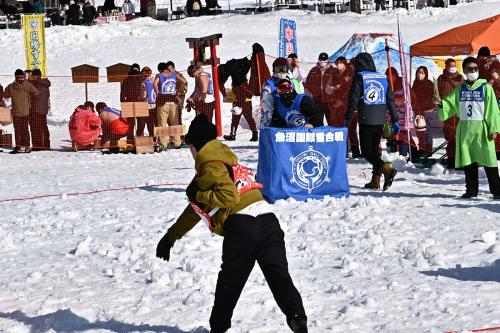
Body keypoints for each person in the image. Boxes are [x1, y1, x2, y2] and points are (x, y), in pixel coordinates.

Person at [155, 113, 308, 333]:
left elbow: (228, 198)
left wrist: (199, 195)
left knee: (229, 283)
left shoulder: (210, 166)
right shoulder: (228, 160)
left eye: (190, 147)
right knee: (279, 278)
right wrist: (171, 236)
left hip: (243, 227)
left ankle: (217, 329)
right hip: (268, 222)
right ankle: (298, 320)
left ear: (197, 146)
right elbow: (196, 209)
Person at [438, 57, 500, 199]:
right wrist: (442, 105)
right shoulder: (461, 89)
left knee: (489, 161)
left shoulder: (486, 88)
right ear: (464, 71)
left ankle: (497, 191)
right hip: (465, 129)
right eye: (470, 69)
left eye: (475, 69)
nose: (473, 71)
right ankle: (471, 190)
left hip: (482, 129)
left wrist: (494, 128)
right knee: (468, 161)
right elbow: (449, 103)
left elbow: (493, 110)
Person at [345, 53, 399, 191]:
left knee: (367, 152)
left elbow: (353, 100)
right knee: (375, 150)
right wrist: (394, 119)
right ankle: (375, 180)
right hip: (380, 119)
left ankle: (386, 169)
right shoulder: (383, 77)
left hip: (366, 118)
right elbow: (390, 100)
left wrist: (347, 118)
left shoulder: (360, 77)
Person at [219, 57, 258, 141]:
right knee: (248, 117)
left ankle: (232, 135)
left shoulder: (236, 81)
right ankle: (255, 134)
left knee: (235, 117)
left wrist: (225, 94)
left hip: (238, 95)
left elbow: (222, 84)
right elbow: (250, 93)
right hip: (246, 97)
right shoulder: (244, 78)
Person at [434, 58, 464, 169]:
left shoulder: (460, 78)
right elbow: (437, 93)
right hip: (447, 111)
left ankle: (460, 159)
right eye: (450, 65)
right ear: (446, 66)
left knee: (460, 136)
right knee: (451, 137)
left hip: (459, 111)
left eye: (454, 65)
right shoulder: (441, 79)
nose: (453, 67)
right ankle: (452, 160)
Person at [4, 69, 39, 154]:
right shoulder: (27, 85)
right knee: (25, 130)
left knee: (17, 130)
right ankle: (27, 147)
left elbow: (6, 95)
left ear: (15, 77)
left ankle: (18, 147)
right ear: (23, 76)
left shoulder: (11, 86)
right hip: (25, 112)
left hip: (16, 112)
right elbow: (36, 92)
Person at [261, 58, 302, 128]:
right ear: (274, 70)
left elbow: (296, 100)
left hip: (288, 117)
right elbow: (267, 106)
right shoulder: (269, 84)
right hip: (273, 120)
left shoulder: (291, 83)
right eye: (278, 69)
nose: (281, 72)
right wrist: (270, 122)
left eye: (284, 69)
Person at [155, 62, 183, 150]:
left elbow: (154, 84)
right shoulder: (174, 74)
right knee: (175, 123)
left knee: (162, 124)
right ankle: (177, 142)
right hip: (173, 102)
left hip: (163, 102)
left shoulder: (159, 75)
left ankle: (164, 144)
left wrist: (158, 93)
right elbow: (183, 81)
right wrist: (179, 92)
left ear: (160, 69)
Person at [304, 53, 336, 126]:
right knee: (317, 121)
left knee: (332, 121)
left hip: (329, 100)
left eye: (324, 60)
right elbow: (308, 84)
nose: (322, 61)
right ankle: (319, 135)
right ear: (318, 60)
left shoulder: (333, 70)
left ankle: (331, 135)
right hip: (316, 100)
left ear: (327, 60)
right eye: (321, 60)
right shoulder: (313, 70)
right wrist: (309, 96)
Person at [120, 63, 146, 143]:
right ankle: (139, 137)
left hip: (129, 102)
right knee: (140, 122)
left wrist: (123, 102)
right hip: (140, 102)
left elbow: (122, 94)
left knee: (131, 123)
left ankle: (130, 139)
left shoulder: (126, 79)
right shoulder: (142, 78)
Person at [412, 66, 435, 155]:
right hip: (418, 111)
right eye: (418, 72)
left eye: (422, 73)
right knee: (419, 131)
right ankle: (421, 148)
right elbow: (414, 97)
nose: (420, 74)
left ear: (426, 74)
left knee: (427, 131)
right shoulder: (415, 83)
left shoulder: (429, 84)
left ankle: (428, 150)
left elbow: (429, 98)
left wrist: (423, 108)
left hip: (427, 111)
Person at [28, 69, 51, 151]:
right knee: (44, 127)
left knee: (35, 128)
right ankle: (46, 145)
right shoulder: (45, 84)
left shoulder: (36, 84)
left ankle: (37, 146)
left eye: (33, 75)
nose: (32, 77)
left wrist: (29, 80)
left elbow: (31, 92)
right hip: (43, 109)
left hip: (35, 110)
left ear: (36, 76)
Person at [166, 61, 188, 125]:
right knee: (169, 119)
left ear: (173, 68)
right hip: (169, 101)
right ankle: (173, 134)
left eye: (169, 70)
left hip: (178, 101)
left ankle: (181, 134)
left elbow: (185, 87)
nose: (168, 71)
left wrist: (177, 93)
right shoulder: (168, 76)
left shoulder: (178, 76)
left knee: (177, 118)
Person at [138, 66, 156, 137]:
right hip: (153, 105)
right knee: (150, 124)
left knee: (141, 124)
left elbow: (143, 94)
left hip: (144, 105)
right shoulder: (153, 80)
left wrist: (139, 99)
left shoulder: (143, 82)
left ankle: (140, 138)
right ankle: (153, 139)